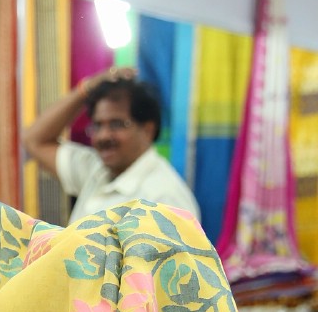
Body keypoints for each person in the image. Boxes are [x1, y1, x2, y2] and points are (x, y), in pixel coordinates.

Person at [22, 64, 201, 224]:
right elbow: (34, 140)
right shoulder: (95, 169)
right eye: (97, 125)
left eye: (116, 124)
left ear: (147, 130)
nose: (103, 136)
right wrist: (87, 88)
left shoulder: (164, 197)